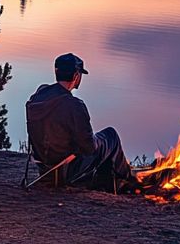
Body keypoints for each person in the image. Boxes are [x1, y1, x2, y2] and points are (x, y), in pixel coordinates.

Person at [25, 53, 139, 192]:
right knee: (110, 136)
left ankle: (109, 181)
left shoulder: (39, 95)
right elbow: (89, 148)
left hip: (44, 167)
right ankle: (127, 179)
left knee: (98, 141)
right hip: (66, 169)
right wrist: (97, 140)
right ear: (76, 76)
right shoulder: (74, 106)